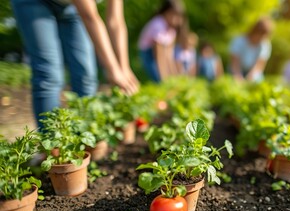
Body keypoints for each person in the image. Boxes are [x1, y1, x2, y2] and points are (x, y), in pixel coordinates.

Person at [11, 0, 140, 129]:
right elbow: (90, 17)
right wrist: (113, 70)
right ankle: (51, 144)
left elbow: (115, 21)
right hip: (34, 3)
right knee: (49, 76)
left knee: (86, 76)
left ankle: (83, 136)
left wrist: (124, 68)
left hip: (72, 7)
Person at [138, 0, 184, 83]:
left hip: (161, 52)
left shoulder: (171, 30)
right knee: (157, 78)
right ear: (166, 12)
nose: (176, 19)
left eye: (178, 16)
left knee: (166, 76)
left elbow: (169, 56)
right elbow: (158, 54)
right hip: (148, 52)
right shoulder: (158, 24)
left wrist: (174, 75)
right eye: (173, 14)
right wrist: (163, 77)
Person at [229, 17, 273, 82]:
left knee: (257, 81)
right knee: (233, 81)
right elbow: (234, 62)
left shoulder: (265, 44)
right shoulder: (239, 40)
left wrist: (251, 76)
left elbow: (260, 64)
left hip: (253, 72)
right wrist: (237, 76)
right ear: (254, 31)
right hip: (236, 69)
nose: (261, 39)